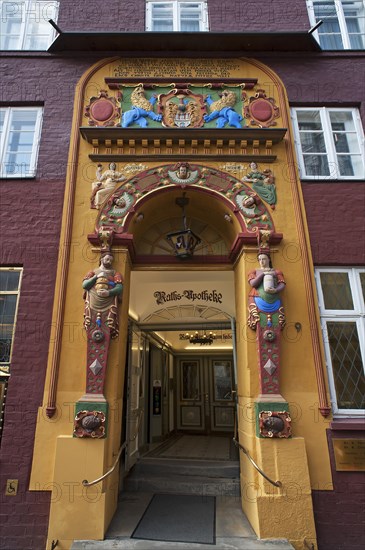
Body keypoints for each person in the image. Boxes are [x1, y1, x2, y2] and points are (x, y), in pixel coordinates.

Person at [82, 252, 123, 338]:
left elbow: (119, 288)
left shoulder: (115, 273)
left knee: (108, 324)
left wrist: (109, 293)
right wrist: (96, 277)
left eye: (111, 260)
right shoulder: (93, 272)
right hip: (93, 300)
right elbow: (85, 285)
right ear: (101, 259)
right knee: (91, 323)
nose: (109, 262)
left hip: (108, 302)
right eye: (107, 259)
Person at [247, 252, 285, 330]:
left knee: (276, 322)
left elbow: (282, 284)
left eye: (264, 259)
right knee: (260, 321)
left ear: (269, 259)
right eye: (259, 259)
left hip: (274, 300)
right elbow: (253, 283)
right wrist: (263, 274)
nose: (261, 261)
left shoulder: (276, 272)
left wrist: (276, 290)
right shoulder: (254, 271)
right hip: (258, 298)